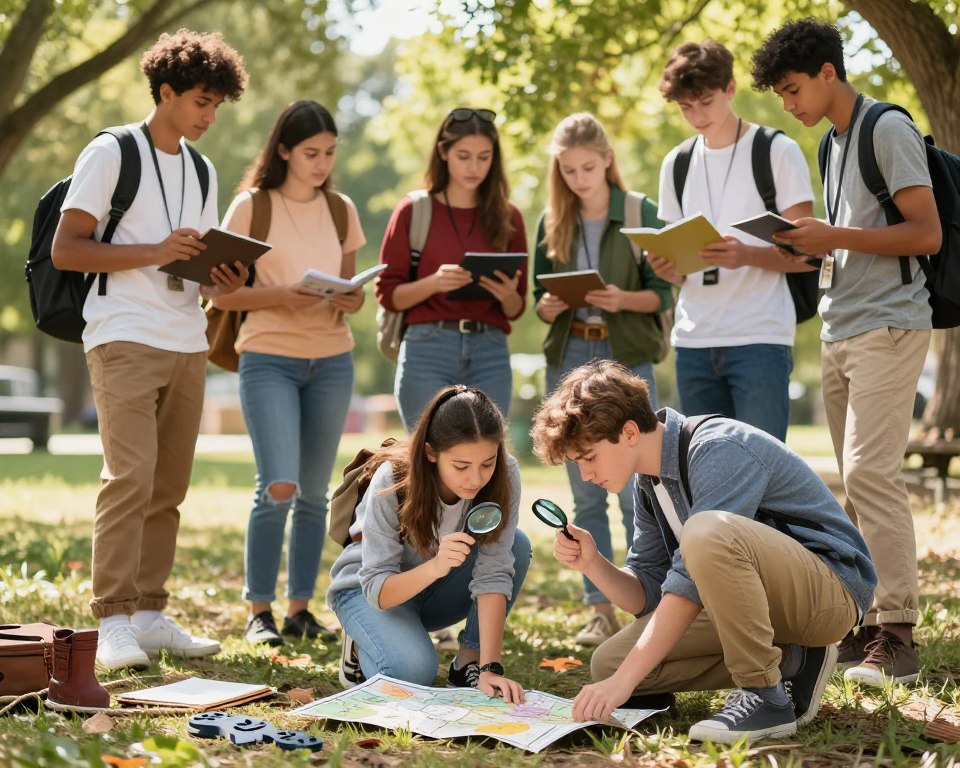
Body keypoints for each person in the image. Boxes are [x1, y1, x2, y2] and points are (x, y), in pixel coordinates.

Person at [530, 361, 876, 743]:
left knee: (706, 531)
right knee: (609, 663)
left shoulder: (717, 448)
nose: (586, 475)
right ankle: (794, 660)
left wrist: (624, 682)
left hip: (829, 595)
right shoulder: (648, 483)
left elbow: (689, 581)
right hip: (758, 603)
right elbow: (650, 594)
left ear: (629, 432)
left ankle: (763, 693)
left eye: (589, 457)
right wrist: (593, 564)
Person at [51, 29, 248, 669]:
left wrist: (223, 279)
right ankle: (113, 619)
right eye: (200, 102)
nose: (209, 116)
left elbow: (196, 266)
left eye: (216, 105)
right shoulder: (112, 152)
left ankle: (149, 614)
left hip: (187, 338)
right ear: (165, 92)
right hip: (123, 334)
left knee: (168, 486)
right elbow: (67, 249)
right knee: (130, 477)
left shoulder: (202, 168)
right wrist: (155, 252)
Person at [751, 17, 939, 687]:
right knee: (851, 491)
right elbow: (849, 239)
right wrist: (807, 243)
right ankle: (862, 625)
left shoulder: (886, 128)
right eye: (780, 94)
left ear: (828, 72)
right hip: (839, 329)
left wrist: (832, 235)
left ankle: (899, 633)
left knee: (870, 475)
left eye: (793, 89)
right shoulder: (831, 143)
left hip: (889, 325)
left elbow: (926, 233)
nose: (788, 104)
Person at [212, 101, 367, 647]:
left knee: (314, 494)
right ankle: (260, 610)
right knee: (278, 485)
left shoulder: (341, 209)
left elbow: (352, 291)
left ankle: (300, 609)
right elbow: (219, 292)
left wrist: (350, 299)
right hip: (268, 356)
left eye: (329, 153)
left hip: (331, 359)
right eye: (311, 153)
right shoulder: (251, 207)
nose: (322, 164)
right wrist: (283, 294)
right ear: (283, 150)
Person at [533, 112, 674, 647]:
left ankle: (650, 603)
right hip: (571, 352)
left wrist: (621, 299)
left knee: (639, 486)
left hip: (627, 354)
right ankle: (599, 610)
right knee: (585, 486)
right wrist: (548, 306)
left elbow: (662, 295)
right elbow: (539, 301)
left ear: (607, 160)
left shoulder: (640, 213)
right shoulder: (552, 220)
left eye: (588, 168)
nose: (578, 179)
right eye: (568, 170)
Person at [649, 40, 816, 442]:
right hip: (693, 342)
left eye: (705, 102)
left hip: (760, 339)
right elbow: (678, 268)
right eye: (686, 107)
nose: (697, 116)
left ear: (730, 88)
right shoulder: (676, 164)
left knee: (760, 465)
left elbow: (809, 254)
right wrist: (667, 269)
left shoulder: (776, 151)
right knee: (703, 468)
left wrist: (747, 256)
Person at [327, 385, 531, 701]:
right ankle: (362, 638)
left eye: (487, 463)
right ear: (431, 453)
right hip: (370, 592)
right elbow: (377, 587)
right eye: (461, 466)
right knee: (412, 673)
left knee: (516, 544)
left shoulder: (506, 474)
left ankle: (467, 664)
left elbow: (494, 572)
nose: (476, 479)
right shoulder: (392, 478)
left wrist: (490, 667)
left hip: (434, 594)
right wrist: (436, 566)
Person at [375, 108, 529, 431]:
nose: (474, 167)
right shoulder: (414, 210)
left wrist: (506, 295)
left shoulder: (509, 217)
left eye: (484, 157)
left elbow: (516, 308)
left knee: (490, 452)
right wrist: (434, 283)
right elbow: (389, 295)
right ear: (443, 152)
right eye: (464, 156)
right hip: (427, 348)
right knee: (428, 452)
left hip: (490, 350)